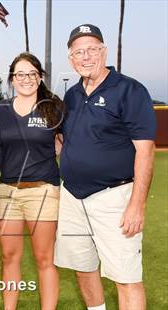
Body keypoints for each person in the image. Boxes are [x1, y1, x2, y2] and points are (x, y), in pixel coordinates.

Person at [54, 24, 156, 310]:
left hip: (114, 198)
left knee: (126, 276)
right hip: (73, 197)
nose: (85, 57)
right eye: (78, 52)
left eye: (91, 50)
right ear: (71, 59)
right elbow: (64, 142)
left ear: (104, 51)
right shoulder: (72, 95)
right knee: (82, 267)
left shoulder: (129, 90)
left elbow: (145, 151)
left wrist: (137, 205)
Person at [0, 52, 63, 310]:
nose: (26, 79)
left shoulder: (52, 106)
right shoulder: (0, 109)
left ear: (39, 76)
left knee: (44, 258)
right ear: (12, 79)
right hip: (7, 190)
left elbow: (64, 146)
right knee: (9, 256)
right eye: (20, 74)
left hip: (42, 190)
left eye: (31, 73)